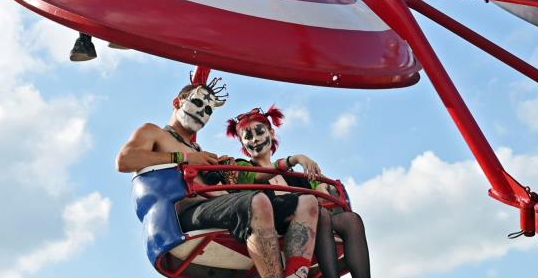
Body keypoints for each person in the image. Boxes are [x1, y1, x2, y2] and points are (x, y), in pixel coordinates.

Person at [115, 80, 318, 278]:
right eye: (198, 103)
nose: (203, 113)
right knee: (257, 201)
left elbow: (250, 177)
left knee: (306, 202)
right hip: (185, 213)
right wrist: (184, 158)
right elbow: (124, 160)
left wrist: (222, 170)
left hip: (215, 208)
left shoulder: (201, 152)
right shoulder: (154, 132)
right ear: (177, 102)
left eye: (209, 111)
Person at [226, 106, 371, 278]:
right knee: (321, 215)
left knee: (351, 220)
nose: (256, 139)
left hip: (310, 218)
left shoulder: (294, 175)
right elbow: (260, 177)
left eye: (259, 132)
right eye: (248, 137)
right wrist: (295, 159)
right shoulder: (244, 167)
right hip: (271, 221)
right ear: (242, 143)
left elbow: (318, 185)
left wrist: (320, 186)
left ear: (271, 133)